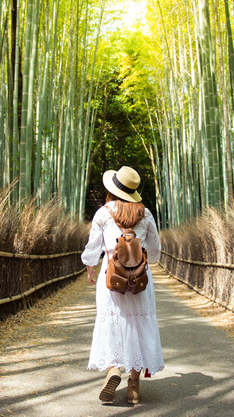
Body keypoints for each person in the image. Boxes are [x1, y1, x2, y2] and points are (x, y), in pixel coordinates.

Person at [82, 166, 164, 404]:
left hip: (111, 278)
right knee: (138, 324)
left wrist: (90, 267)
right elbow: (156, 254)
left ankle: (113, 370)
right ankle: (134, 387)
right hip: (139, 280)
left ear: (113, 188)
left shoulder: (103, 213)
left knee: (111, 322)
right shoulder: (145, 214)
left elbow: (92, 249)